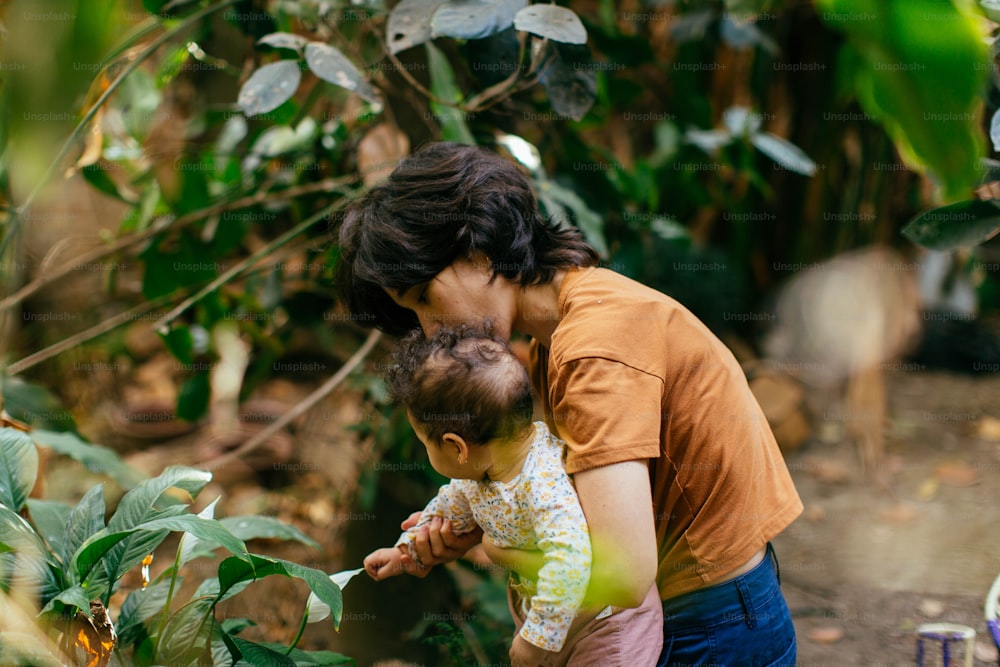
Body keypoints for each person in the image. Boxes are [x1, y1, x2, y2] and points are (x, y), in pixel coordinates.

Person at [337, 141, 804, 666]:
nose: (430, 329)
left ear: (478, 248)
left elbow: (623, 572)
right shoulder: (556, 336)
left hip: (710, 626)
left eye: (424, 296)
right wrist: (473, 525)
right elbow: (569, 507)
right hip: (699, 612)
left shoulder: (593, 348)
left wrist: (495, 549)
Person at [362, 325, 662, 666]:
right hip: (555, 617)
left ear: (456, 447)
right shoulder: (482, 473)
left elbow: (570, 561)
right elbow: (447, 510)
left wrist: (536, 639)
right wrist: (404, 550)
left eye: (424, 442)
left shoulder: (543, 483)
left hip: (606, 624)